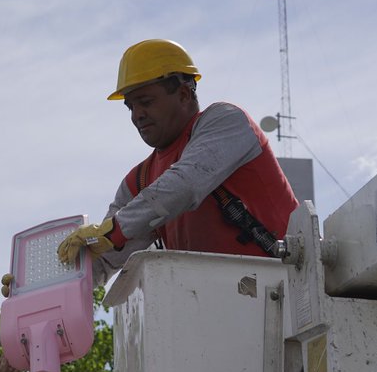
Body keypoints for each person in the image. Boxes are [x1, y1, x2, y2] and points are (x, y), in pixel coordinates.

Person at [53, 38, 298, 285]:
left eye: (146, 102)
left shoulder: (226, 122)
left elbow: (185, 185)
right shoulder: (139, 181)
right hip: (214, 306)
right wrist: (31, 285)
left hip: (289, 292)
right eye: (130, 106)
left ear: (183, 94)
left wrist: (112, 231)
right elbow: (103, 259)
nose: (137, 115)